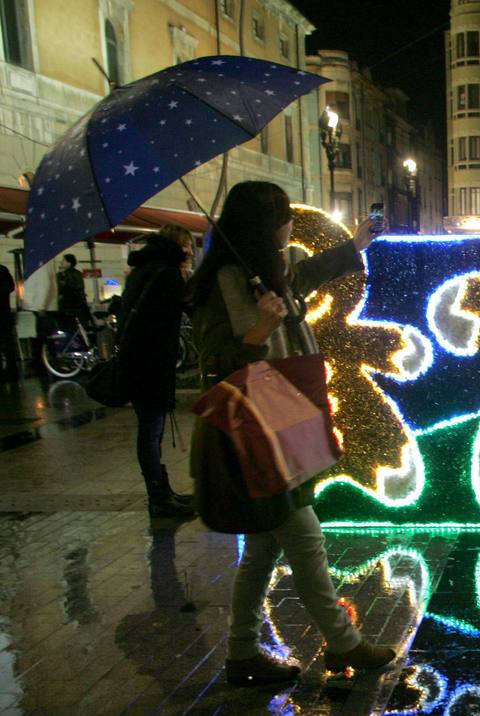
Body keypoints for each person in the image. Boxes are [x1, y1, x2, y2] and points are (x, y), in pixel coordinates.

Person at [188, 181, 396, 686]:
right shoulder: (223, 282)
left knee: (263, 548)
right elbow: (213, 361)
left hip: (280, 414)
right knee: (304, 538)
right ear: (264, 224)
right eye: (282, 216)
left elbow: (303, 276)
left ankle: (242, 654)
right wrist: (258, 331)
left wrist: (354, 246)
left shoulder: (266, 273)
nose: (288, 224)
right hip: (254, 425)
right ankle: (344, 644)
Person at [117, 225, 197, 518]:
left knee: (151, 430)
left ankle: (162, 492)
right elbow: (191, 307)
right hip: (150, 365)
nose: (190, 251)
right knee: (151, 431)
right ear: (177, 245)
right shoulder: (167, 274)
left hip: (137, 362)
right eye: (187, 245)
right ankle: (159, 498)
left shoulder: (144, 269)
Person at [56, 253, 93, 336]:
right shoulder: (78, 274)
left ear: (69, 263)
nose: (61, 262)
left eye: (63, 260)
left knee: (68, 329)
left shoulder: (63, 274)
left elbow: (60, 289)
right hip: (79, 306)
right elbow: (80, 287)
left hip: (67, 306)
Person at [0, 264, 17, 383]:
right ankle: (12, 371)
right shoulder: (3, 269)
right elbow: (11, 287)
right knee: (8, 344)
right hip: (4, 313)